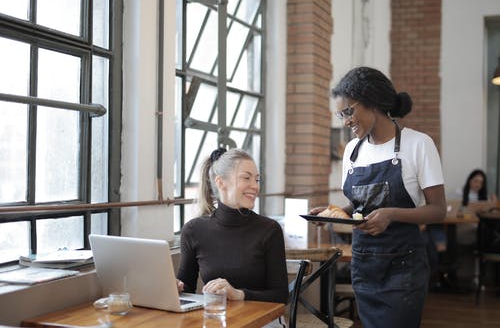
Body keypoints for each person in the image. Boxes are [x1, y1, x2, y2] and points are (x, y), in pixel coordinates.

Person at [316, 66, 446, 328]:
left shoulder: (418, 144)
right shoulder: (352, 151)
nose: (345, 121)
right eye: (341, 114)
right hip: (364, 264)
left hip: (403, 268)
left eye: (349, 111)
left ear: (372, 102)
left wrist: (392, 214)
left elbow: (438, 210)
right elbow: (359, 205)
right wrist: (334, 212)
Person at [176, 147, 289, 306]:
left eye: (256, 179)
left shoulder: (269, 230)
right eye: (246, 178)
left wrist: (239, 294)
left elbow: (281, 295)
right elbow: (186, 287)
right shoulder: (193, 230)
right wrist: (176, 288)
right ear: (221, 182)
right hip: (216, 318)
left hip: (263, 321)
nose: (255, 186)